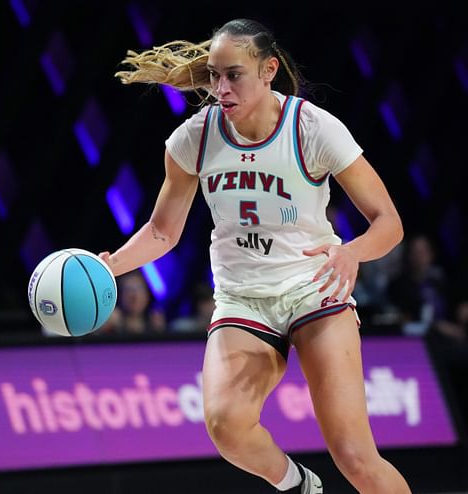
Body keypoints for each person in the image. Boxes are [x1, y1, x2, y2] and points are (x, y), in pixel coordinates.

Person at [100, 19, 410, 493]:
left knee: (355, 457)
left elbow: (389, 223)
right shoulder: (194, 138)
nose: (221, 88)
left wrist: (351, 254)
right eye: (214, 75)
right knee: (225, 426)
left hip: (314, 290)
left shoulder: (312, 128)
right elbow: (162, 233)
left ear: (268, 71)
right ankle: (301, 485)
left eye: (234, 75)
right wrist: (108, 265)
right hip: (243, 300)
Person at [101, 270, 167, 335]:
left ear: (147, 295)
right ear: (120, 296)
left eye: (139, 289)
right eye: (128, 290)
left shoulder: (156, 326)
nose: (134, 296)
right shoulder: (112, 327)